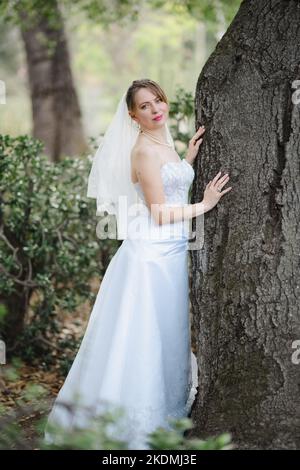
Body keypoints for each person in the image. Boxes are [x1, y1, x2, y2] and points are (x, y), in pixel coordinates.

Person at [44, 79, 232, 450]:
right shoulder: (143, 150)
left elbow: (167, 184)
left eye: (157, 100)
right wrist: (206, 205)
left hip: (171, 255)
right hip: (151, 258)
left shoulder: (162, 142)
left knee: (167, 332)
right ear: (133, 116)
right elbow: (161, 213)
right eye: (144, 107)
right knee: (145, 337)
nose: (155, 109)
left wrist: (187, 161)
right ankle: (133, 426)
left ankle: (164, 411)